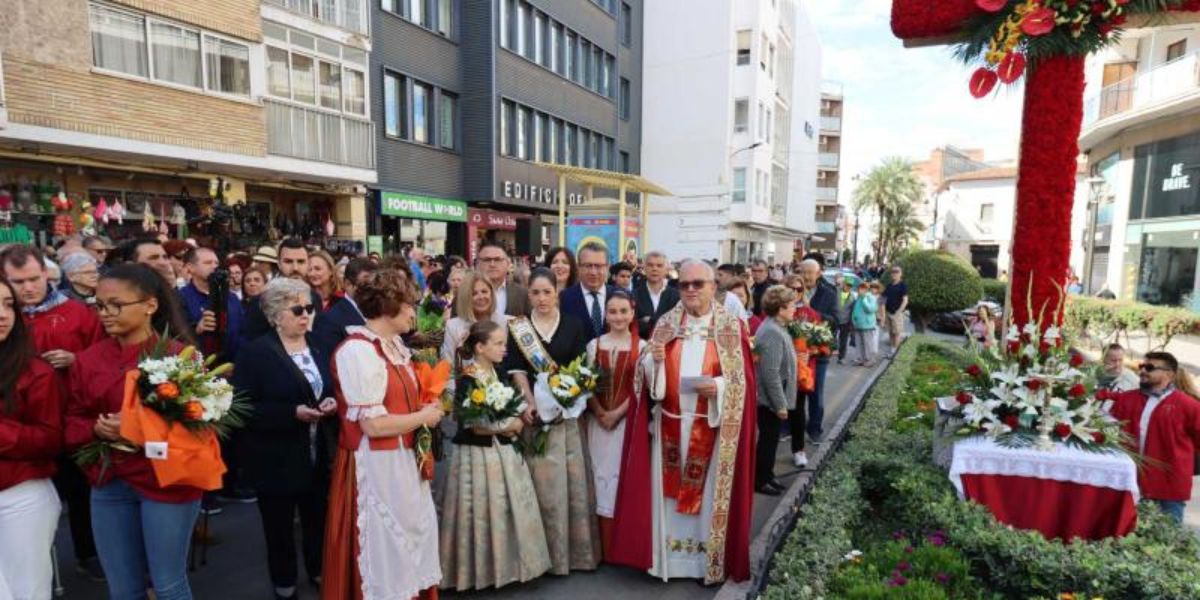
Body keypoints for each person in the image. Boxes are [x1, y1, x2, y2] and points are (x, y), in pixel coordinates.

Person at [610, 259, 757, 584]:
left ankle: (706, 564)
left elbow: (743, 381)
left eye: (698, 284)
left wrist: (718, 387)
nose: (690, 290)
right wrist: (654, 364)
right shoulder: (665, 323)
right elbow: (645, 377)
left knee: (705, 502)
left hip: (713, 429)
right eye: (684, 284)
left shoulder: (732, 327)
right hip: (669, 427)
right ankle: (669, 562)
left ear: (713, 287)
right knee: (668, 500)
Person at [65, 264, 201, 600]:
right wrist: (97, 429)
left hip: (168, 482)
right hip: (109, 482)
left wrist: (140, 430)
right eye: (99, 305)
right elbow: (72, 421)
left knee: (168, 584)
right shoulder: (87, 361)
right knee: (124, 590)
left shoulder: (180, 357)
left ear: (150, 306)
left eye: (116, 305)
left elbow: (201, 426)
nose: (106, 314)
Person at [322, 270, 445, 600]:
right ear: (391, 305)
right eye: (410, 305)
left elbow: (400, 402)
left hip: (403, 461)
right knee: (385, 550)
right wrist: (424, 416)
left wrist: (428, 402)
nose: (413, 313)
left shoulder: (394, 346)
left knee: (411, 540)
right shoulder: (358, 351)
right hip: (376, 467)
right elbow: (373, 426)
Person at [1, 244, 107, 581]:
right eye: (18, 282)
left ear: (47, 274)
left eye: (34, 279)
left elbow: (101, 359)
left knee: (79, 492)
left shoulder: (78, 313)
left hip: (70, 417)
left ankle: (87, 553)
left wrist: (76, 360)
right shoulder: (10, 315)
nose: (28, 288)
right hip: (20, 433)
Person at [234, 278, 337, 600]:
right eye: (298, 309)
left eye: (309, 308)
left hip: (317, 452)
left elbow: (331, 385)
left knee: (317, 518)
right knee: (278, 527)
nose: (306, 314)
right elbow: (242, 408)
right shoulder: (256, 353)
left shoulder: (319, 344)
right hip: (274, 457)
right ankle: (284, 580)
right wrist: (291, 413)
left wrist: (333, 401)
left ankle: (319, 570)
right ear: (276, 314)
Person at [439, 320, 551, 591]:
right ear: (480, 347)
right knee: (479, 510)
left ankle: (510, 566)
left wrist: (519, 413)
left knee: (504, 507)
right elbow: (471, 422)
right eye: (499, 344)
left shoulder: (496, 372)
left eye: (504, 343)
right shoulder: (469, 377)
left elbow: (507, 402)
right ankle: (478, 571)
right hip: (478, 454)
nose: (504, 349)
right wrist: (510, 424)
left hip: (502, 450)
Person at [505, 268, 601, 574]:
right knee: (539, 487)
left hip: (566, 417)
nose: (542, 298)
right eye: (535, 293)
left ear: (557, 292)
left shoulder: (573, 325)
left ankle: (570, 556)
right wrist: (529, 403)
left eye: (547, 292)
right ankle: (538, 558)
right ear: (528, 295)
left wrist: (565, 401)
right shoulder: (518, 328)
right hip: (534, 419)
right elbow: (517, 370)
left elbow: (580, 369)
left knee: (568, 488)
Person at [0, 278, 65, 600]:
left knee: (26, 593)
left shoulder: (35, 372)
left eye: (8, 304)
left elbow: (50, 439)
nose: (2, 315)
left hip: (19, 497)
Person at [585, 291, 646, 558]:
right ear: (605, 314)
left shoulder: (642, 347)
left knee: (619, 478)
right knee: (597, 478)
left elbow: (641, 389)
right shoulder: (594, 345)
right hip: (596, 422)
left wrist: (617, 414)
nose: (618, 317)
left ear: (632, 313)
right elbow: (585, 386)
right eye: (613, 311)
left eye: (623, 311)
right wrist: (599, 411)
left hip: (625, 424)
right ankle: (600, 547)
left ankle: (618, 547)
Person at [1108, 352, 1200, 524]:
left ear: (1169, 374)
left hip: (1168, 488)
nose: (1143, 371)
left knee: (1168, 543)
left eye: (1150, 368)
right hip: (1129, 482)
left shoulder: (1189, 406)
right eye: (1141, 366)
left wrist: (1180, 460)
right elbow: (1107, 431)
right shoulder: (1126, 399)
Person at [752, 285, 798, 497]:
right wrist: (780, 404)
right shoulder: (771, 331)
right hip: (769, 401)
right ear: (780, 309)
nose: (795, 309)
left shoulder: (775, 327)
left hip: (770, 399)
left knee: (770, 440)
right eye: (791, 306)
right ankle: (761, 480)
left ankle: (767, 475)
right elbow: (770, 373)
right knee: (768, 442)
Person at [244, 239, 315, 342]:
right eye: (288, 261)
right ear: (279, 264)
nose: (295, 268)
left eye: (301, 261)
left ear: (308, 264)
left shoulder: (314, 297)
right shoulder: (260, 302)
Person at [798, 259, 836, 444]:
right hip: (796, 352)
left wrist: (812, 311)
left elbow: (835, 319)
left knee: (816, 393)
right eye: (802, 272)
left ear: (818, 274)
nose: (805, 276)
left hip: (818, 352)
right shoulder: (793, 291)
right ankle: (790, 428)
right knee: (795, 393)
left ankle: (814, 428)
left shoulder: (828, 293)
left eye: (809, 272)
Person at [311, 257, 378, 361]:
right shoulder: (329, 320)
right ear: (348, 284)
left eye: (375, 284)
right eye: (366, 283)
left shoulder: (378, 311)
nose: (372, 289)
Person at [440, 272, 508, 365]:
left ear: (491, 294)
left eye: (484, 291)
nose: (481, 297)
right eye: (474, 293)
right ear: (465, 297)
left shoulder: (505, 323)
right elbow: (448, 366)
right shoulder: (453, 326)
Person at [560, 242, 617, 343]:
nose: (593, 272)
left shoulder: (621, 296)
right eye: (588, 266)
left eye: (598, 266)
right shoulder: (564, 298)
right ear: (578, 267)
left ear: (608, 267)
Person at [477, 240, 529, 318]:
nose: (492, 264)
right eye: (487, 260)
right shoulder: (465, 294)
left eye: (497, 260)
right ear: (478, 264)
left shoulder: (522, 294)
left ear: (508, 264)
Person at [634, 251, 680, 339]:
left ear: (666, 270)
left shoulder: (676, 296)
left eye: (659, 266)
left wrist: (648, 321)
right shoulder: (633, 295)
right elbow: (632, 326)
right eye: (650, 265)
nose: (654, 269)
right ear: (644, 268)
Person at [881, 266, 909, 354]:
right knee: (890, 332)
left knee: (897, 333)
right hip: (888, 312)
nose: (894, 274)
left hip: (897, 313)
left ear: (900, 274)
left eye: (897, 272)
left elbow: (905, 300)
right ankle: (892, 350)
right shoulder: (889, 285)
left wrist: (899, 311)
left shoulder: (902, 285)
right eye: (893, 272)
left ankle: (895, 351)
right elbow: (883, 298)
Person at [851, 281, 879, 367]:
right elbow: (855, 311)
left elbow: (870, 309)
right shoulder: (858, 298)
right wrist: (853, 320)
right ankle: (860, 359)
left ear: (867, 289)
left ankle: (870, 360)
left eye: (863, 288)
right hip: (858, 325)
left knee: (868, 344)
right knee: (859, 343)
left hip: (867, 325)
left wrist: (864, 299)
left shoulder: (870, 297)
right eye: (860, 288)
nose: (861, 290)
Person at [833, 277, 856, 365]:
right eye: (847, 284)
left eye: (850, 286)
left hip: (845, 321)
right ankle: (827, 354)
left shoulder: (852, 297)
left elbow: (853, 311)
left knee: (843, 340)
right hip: (834, 318)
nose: (848, 287)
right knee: (831, 337)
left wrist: (852, 324)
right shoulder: (835, 291)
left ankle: (841, 358)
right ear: (843, 284)